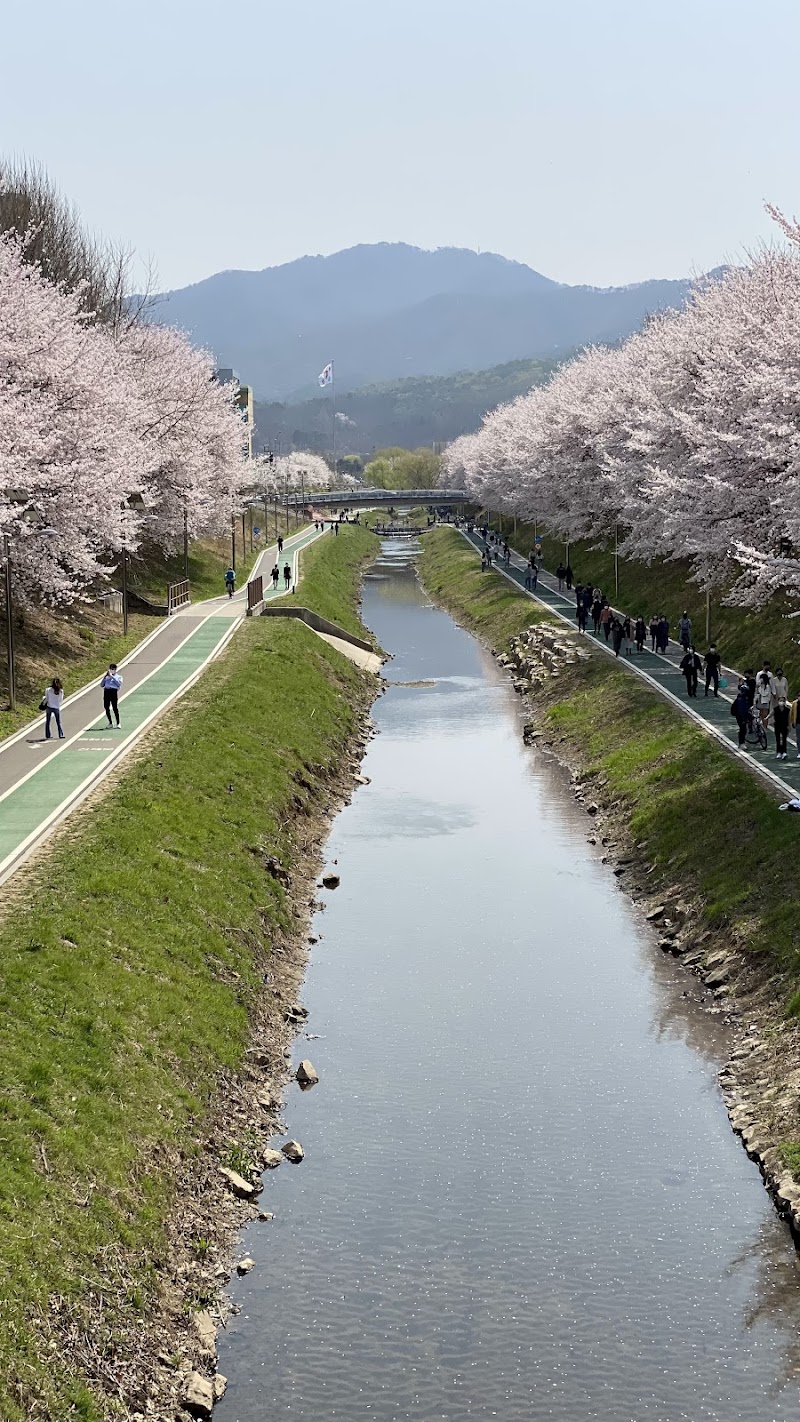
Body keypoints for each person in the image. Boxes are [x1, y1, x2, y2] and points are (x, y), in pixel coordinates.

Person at [101, 663, 123, 727]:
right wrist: (105, 677)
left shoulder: (119, 677)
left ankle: (118, 723)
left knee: (115, 707)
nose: (112, 670)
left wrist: (112, 677)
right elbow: (102, 685)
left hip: (113, 692)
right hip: (106, 691)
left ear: (115, 669)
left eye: (113, 669)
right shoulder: (107, 677)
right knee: (106, 707)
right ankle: (110, 723)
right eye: (111, 669)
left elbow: (118, 684)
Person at [731, 681, 751, 750]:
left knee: (743, 729)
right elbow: (742, 710)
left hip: (740, 716)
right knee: (743, 729)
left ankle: (742, 743)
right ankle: (741, 743)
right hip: (741, 717)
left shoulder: (741, 698)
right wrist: (743, 718)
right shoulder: (741, 700)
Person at [754, 668, 772, 733]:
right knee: (761, 715)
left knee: (765, 715)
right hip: (760, 701)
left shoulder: (768, 687)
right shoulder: (759, 686)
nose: (760, 680)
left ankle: (765, 727)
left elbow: (764, 694)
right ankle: (761, 727)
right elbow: (757, 693)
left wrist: (760, 689)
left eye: (761, 679)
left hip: (765, 702)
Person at [774, 696, 791, 760]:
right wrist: (766, 718)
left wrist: (789, 726)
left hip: (784, 726)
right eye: (780, 701)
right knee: (778, 739)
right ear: (778, 701)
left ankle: (784, 752)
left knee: (784, 739)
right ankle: (779, 752)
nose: (782, 702)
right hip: (777, 726)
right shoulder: (775, 709)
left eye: (783, 701)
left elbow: (789, 718)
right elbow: (771, 714)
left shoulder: (787, 710)